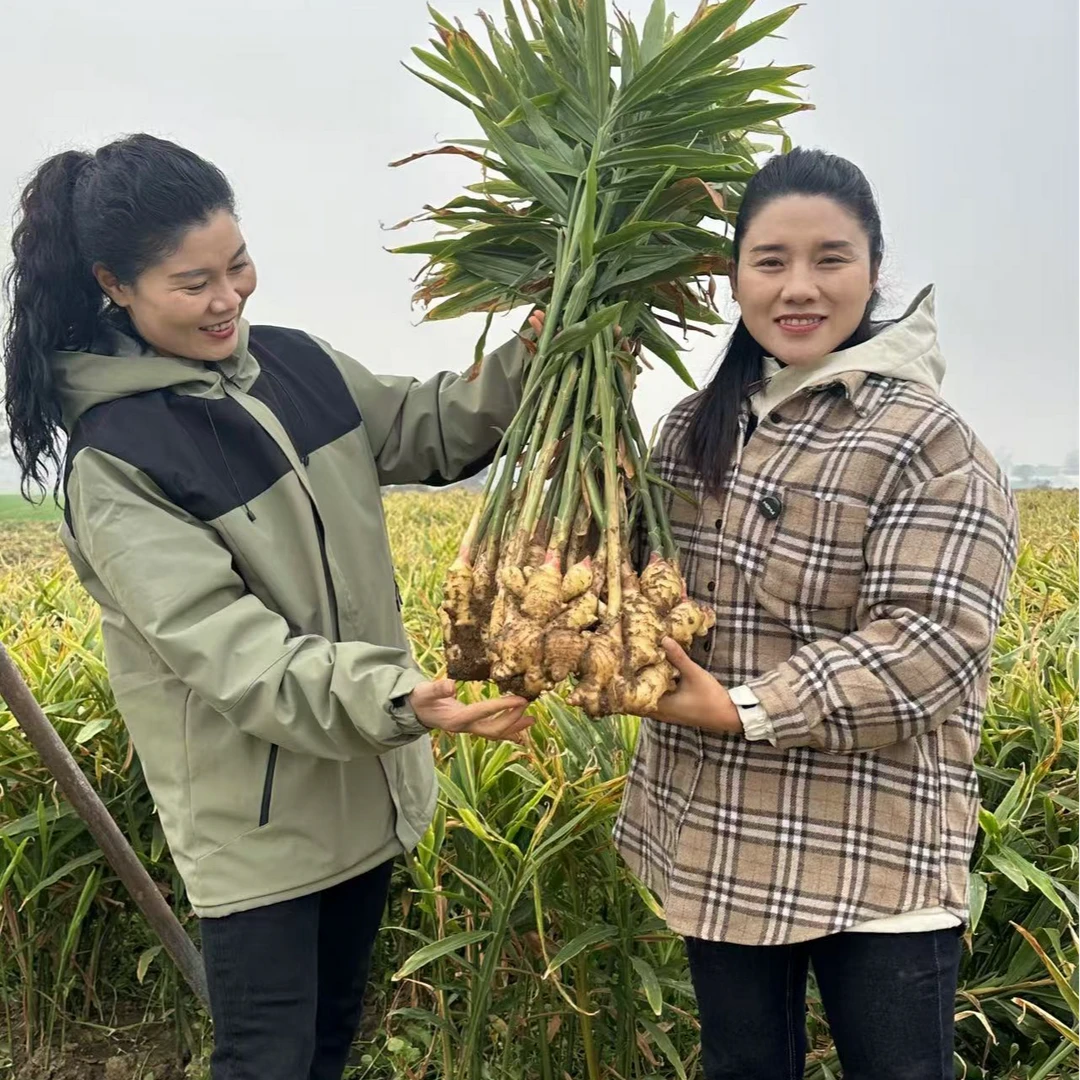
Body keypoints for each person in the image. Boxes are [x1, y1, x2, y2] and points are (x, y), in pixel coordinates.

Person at [1, 133, 534, 1080]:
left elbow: (433, 427)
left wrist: (542, 347)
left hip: (367, 793)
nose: (228, 299)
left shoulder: (295, 364)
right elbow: (236, 655)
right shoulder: (117, 458)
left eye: (237, 265)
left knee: (328, 1049)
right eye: (192, 282)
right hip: (259, 837)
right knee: (269, 1061)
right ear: (114, 286)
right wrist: (401, 700)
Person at [614, 148, 1018, 1080]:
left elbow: (932, 644)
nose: (800, 287)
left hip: (873, 844)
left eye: (830, 259)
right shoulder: (691, 426)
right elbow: (644, 588)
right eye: (770, 261)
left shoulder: (929, 439)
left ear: (875, 268)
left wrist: (745, 707)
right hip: (718, 835)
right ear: (735, 277)